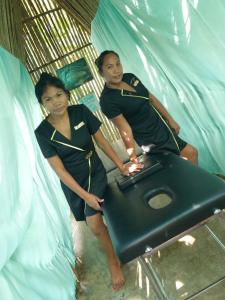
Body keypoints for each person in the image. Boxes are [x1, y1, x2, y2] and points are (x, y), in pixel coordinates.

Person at [34, 73, 141, 290]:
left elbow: (102, 142)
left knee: (93, 224)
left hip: (94, 172)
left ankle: (113, 261)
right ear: (41, 103)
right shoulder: (42, 132)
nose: (56, 102)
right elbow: (59, 170)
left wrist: (122, 166)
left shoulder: (81, 111)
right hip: (73, 183)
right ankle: (110, 238)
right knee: (97, 220)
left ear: (66, 94)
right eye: (48, 99)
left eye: (59, 95)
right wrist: (85, 196)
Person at [96, 50, 198, 165]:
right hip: (151, 140)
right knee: (188, 155)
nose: (117, 70)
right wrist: (133, 159)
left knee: (190, 155)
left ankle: (197, 182)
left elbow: (152, 99)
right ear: (101, 72)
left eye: (118, 64)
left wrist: (171, 120)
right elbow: (125, 130)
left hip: (163, 127)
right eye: (110, 67)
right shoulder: (107, 100)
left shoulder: (129, 77)